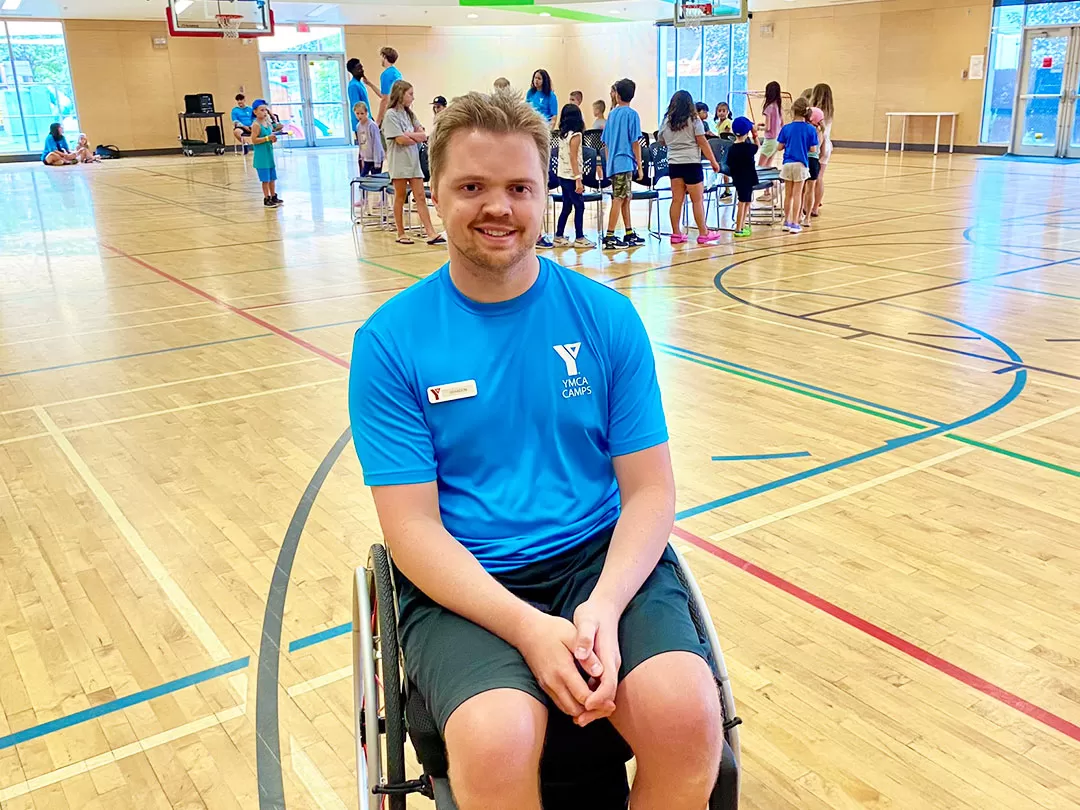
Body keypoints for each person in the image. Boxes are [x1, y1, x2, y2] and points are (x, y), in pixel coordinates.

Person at [348, 88, 723, 810]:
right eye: (471, 187)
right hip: (465, 581)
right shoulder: (391, 342)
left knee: (687, 713)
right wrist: (525, 626)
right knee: (496, 738)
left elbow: (649, 491)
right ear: (434, 194)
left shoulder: (607, 319)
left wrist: (605, 607)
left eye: (519, 187)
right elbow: (411, 529)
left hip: (596, 559)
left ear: (545, 193)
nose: (499, 207)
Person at [382, 80, 444, 246]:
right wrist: (410, 136)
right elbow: (400, 140)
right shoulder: (390, 115)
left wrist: (410, 135)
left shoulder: (410, 114)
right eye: (410, 94)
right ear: (401, 94)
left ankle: (431, 232)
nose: (413, 98)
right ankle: (400, 232)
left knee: (420, 196)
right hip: (399, 162)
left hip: (413, 160)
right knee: (400, 197)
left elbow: (423, 135)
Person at [658, 90, 721, 246]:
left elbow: (661, 140)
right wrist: (714, 162)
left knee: (676, 200)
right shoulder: (694, 120)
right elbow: (702, 142)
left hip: (674, 164)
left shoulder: (667, 121)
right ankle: (703, 233)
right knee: (697, 200)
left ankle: (676, 234)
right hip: (692, 163)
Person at [600, 79, 644, 250]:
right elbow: (635, 142)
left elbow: (606, 143)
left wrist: (609, 163)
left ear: (617, 95)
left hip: (615, 163)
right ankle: (609, 236)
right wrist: (640, 166)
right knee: (619, 198)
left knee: (626, 198)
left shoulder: (612, 114)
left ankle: (628, 232)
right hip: (624, 162)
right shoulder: (632, 115)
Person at [553, 103, 593, 249]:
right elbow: (573, 158)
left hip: (562, 175)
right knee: (579, 206)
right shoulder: (576, 135)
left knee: (567, 206)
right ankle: (580, 237)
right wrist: (578, 179)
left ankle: (558, 235)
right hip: (571, 176)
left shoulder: (563, 135)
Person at [776, 96, 817, 234]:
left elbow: (779, 147)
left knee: (788, 194)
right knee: (797, 194)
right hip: (801, 164)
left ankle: (786, 221)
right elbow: (813, 149)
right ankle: (795, 223)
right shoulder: (810, 129)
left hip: (787, 163)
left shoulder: (786, 128)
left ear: (793, 110)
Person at [726, 116, 758, 238]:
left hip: (738, 179)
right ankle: (738, 228)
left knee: (746, 201)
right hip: (748, 178)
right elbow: (757, 146)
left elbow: (729, 163)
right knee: (743, 202)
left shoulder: (732, 148)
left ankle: (742, 225)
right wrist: (755, 135)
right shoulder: (748, 148)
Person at [250, 99, 282, 208]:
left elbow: (278, 127)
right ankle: (266, 198)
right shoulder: (256, 125)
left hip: (269, 155)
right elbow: (254, 140)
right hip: (261, 156)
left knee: (272, 178)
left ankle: (273, 196)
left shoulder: (267, 123)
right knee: (265, 180)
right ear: (255, 112)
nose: (264, 112)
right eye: (261, 110)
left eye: (265, 110)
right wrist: (267, 138)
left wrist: (272, 138)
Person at [809, 82, 834, 216]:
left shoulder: (814, 111)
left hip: (817, 144)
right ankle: (815, 206)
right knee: (820, 177)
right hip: (827, 145)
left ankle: (807, 205)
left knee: (811, 177)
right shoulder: (830, 112)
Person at [363, 46, 403, 125]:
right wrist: (370, 84)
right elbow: (384, 95)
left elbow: (385, 99)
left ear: (384, 57)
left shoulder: (386, 74)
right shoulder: (397, 73)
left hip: (391, 113)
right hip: (399, 111)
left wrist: (378, 120)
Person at [801, 107, 825, 228]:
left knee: (801, 190)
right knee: (810, 189)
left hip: (804, 160)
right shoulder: (820, 131)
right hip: (814, 161)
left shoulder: (807, 129)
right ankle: (807, 217)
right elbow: (821, 150)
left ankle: (799, 213)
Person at [354, 101, 384, 176]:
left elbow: (377, 143)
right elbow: (361, 143)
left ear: (366, 113)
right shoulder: (358, 126)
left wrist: (377, 161)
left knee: (376, 179)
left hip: (375, 158)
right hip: (367, 158)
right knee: (363, 177)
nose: (359, 116)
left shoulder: (372, 125)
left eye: (362, 113)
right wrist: (362, 158)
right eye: (357, 113)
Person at [758, 81, 783, 170]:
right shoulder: (778, 107)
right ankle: (771, 183)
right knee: (768, 166)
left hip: (769, 140)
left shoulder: (769, 107)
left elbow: (768, 128)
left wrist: (758, 128)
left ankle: (761, 184)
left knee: (760, 166)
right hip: (777, 139)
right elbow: (780, 123)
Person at [346, 58, 372, 138]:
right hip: (361, 123)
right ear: (353, 70)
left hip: (366, 120)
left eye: (362, 67)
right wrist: (363, 122)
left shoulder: (360, 83)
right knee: (365, 148)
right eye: (359, 68)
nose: (362, 70)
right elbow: (357, 107)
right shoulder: (353, 85)